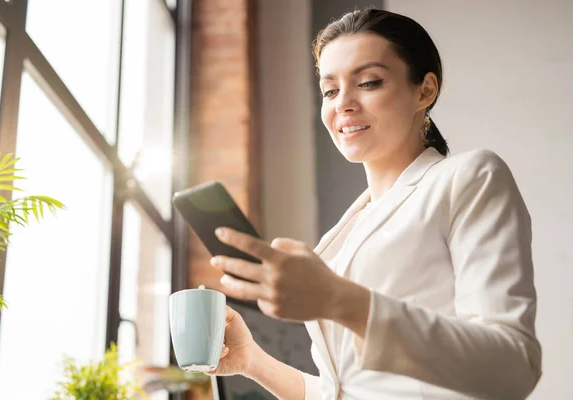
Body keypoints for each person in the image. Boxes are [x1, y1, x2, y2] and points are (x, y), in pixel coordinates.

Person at [207, 7, 542, 400]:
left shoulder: (468, 178)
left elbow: (512, 369)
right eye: (330, 90)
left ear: (425, 90)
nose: (343, 103)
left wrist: (339, 300)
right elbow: (346, 392)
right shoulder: (345, 234)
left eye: (368, 82)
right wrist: (252, 362)